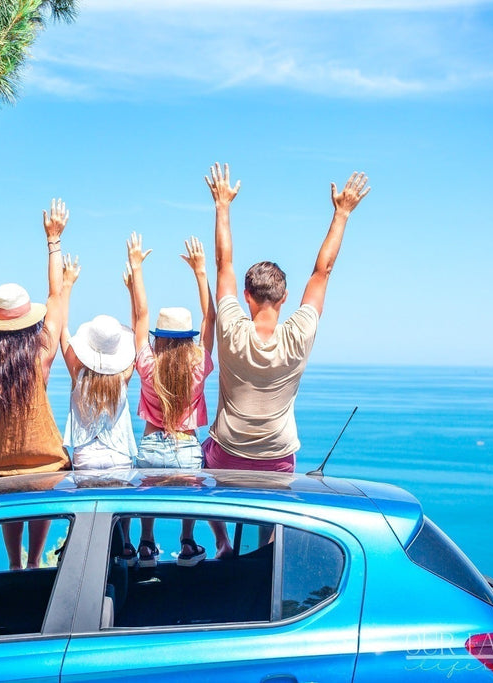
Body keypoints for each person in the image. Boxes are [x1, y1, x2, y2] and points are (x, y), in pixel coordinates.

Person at [201, 162, 369, 556]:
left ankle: (223, 543)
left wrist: (222, 205)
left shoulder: (231, 329)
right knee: (271, 516)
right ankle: (266, 556)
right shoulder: (298, 335)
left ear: (246, 296)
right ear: (285, 298)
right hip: (277, 456)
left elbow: (224, 264)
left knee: (202, 457)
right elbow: (323, 272)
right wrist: (342, 213)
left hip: (227, 453)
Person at [0, 202, 73, 570]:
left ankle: (15, 563)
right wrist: (53, 240)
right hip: (46, 465)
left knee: (9, 499)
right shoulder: (41, 355)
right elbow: (56, 297)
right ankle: (35, 560)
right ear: (29, 321)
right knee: (42, 492)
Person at [126, 232, 215, 567]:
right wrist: (201, 271)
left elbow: (141, 316)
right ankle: (188, 543)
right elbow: (210, 319)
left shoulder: (148, 364)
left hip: (151, 445)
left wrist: (136, 268)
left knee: (147, 499)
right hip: (187, 447)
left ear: (159, 338)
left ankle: (146, 544)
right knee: (188, 500)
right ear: (188, 338)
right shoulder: (198, 364)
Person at [60, 263, 138, 562]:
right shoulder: (123, 377)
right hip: (119, 454)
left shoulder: (77, 373)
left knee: (88, 516)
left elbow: (62, 329)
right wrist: (132, 289)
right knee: (120, 514)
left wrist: (67, 284)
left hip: (86, 457)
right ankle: (126, 546)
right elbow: (140, 326)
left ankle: (83, 559)